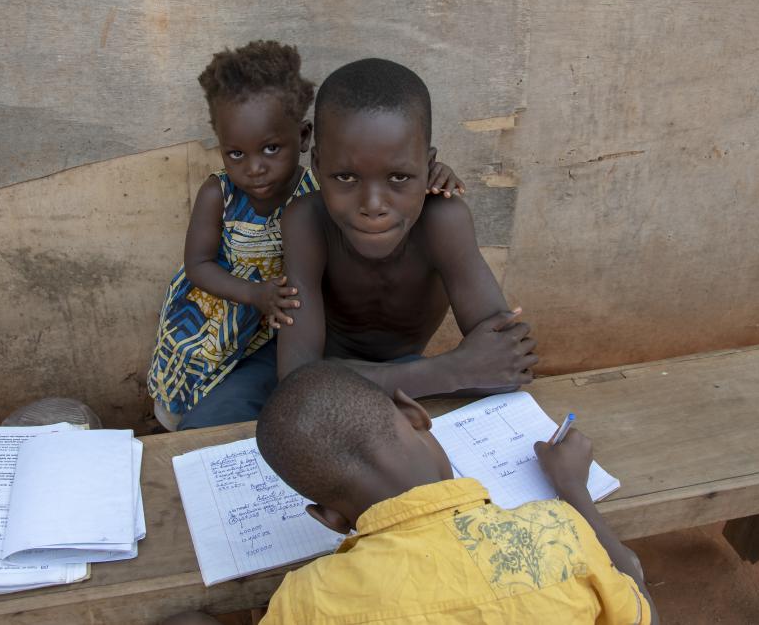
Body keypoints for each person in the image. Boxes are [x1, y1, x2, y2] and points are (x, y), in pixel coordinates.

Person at [162, 361, 656, 624]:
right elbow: (638, 605)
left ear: (328, 518)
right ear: (418, 416)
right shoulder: (558, 533)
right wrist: (573, 490)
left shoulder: (308, 600)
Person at [148, 43, 465, 431]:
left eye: (270, 149)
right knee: (199, 405)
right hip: (232, 319)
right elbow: (198, 264)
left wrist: (430, 174)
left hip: (284, 320)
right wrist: (255, 295)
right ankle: (168, 433)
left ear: (303, 139)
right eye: (235, 154)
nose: (255, 169)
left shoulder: (325, 190)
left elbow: (376, 166)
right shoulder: (231, 196)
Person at [277, 57, 538, 398]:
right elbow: (296, 381)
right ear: (316, 164)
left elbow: (509, 369)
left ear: (429, 168)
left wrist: (437, 373)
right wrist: (454, 370)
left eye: (399, 177)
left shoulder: (443, 221)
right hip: (350, 370)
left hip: (378, 373)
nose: (373, 206)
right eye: (346, 177)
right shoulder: (305, 221)